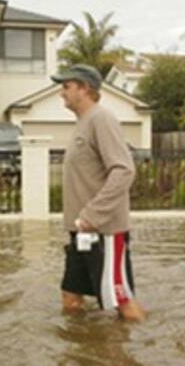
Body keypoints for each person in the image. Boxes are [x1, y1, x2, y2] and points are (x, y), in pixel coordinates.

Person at [51, 64, 145, 321]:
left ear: (84, 88)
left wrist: (93, 215)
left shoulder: (101, 119)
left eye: (66, 86)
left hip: (104, 231)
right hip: (81, 232)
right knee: (71, 298)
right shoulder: (84, 122)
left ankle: (139, 344)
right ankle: (84, 344)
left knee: (122, 302)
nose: (62, 93)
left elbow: (123, 170)